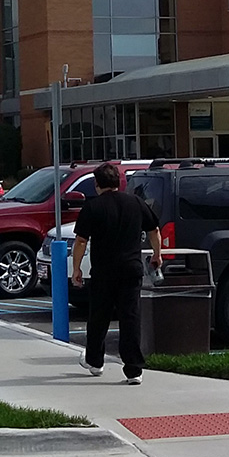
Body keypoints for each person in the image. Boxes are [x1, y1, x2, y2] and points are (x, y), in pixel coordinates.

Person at [71, 163, 161, 385]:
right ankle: (134, 370)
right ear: (119, 182)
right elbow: (154, 230)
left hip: (104, 271)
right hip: (131, 269)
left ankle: (95, 361)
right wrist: (158, 254)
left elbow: (81, 240)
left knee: (99, 317)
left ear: (97, 184)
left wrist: (76, 268)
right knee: (130, 318)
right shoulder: (135, 202)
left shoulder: (93, 207)